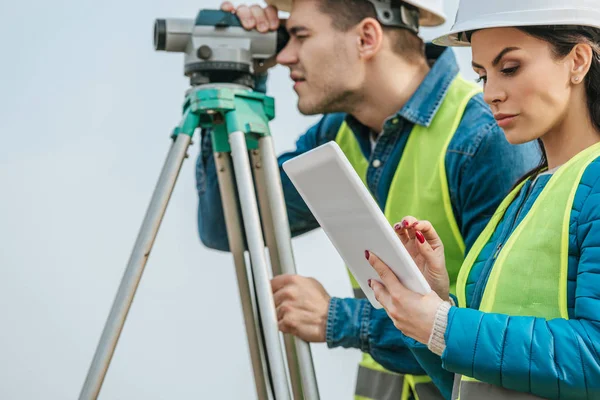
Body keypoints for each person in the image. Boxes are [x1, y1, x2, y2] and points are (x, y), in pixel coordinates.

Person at [195, 0, 540, 398]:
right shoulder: (337, 135)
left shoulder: (485, 139)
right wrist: (235, 83)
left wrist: (340, 319)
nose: (284, 56)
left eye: (301, 36)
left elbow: (500, 339)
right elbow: (227, 224)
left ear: (367, 37)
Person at [361, 0, 600, 398]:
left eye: (509, 68)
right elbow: (471, 382)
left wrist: (444, 325)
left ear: (577, 60)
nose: (491, 94)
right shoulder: (523, 195)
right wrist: (433, 305)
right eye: (482, 76)